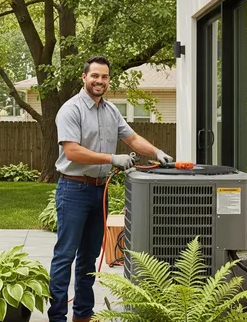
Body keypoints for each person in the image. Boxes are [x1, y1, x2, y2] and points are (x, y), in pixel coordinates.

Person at [47, 56, 174, 322]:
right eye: (95, 76)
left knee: (89, 257)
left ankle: (82, 315)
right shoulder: (71, 109)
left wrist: (157, 152)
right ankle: (57, 317)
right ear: (84, 77)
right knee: (65, 256)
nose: (100, 81)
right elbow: (72, 151)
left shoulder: (110, 110)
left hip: (98, 191)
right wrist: (111, 158)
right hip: (73, 190)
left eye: (104, 77)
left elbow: (132, 138)